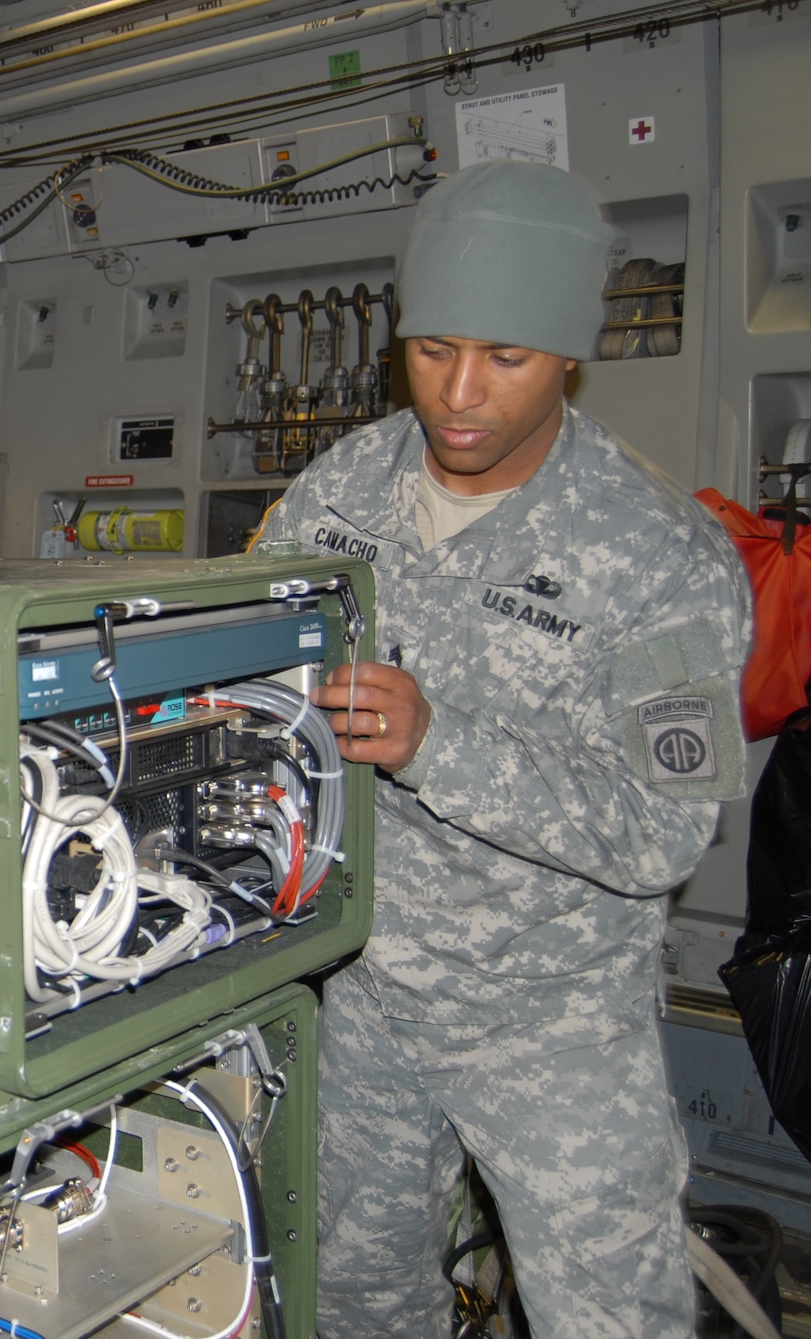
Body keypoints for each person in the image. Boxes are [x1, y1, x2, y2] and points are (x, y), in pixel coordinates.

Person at [253, 161, 753, 1338]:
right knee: (352, 1306)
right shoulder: (341, 489)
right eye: (431, 350)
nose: (458, 394)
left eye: (505, 358)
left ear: (569, 356)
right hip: (359, 992)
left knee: (608, 1319)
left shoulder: (657, 556)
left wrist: (435, 742)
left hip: (551, 1016)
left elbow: (661, 828)